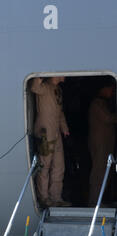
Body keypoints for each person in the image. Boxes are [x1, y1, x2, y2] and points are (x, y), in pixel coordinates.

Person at [31, 77, 71, 207]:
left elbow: (60, 112)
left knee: (59, 166)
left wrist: (64, 128)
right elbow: (34, 87)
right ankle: (43, 197)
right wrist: (40, 75)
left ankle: (56, 197)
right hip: (45, 132)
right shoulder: (45, 87)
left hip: (56, 133)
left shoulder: (58, 89)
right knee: (45, 166)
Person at [88, 78, 117, 206]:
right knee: (99, 173)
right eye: (110, 89)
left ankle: (99, 200)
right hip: (100, 144)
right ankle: (94, 202)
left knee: (106, 171)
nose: (112, 92)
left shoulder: (103, 103)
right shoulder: (96, 104)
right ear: (103, 89)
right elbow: (108, 118)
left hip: (105, 144)